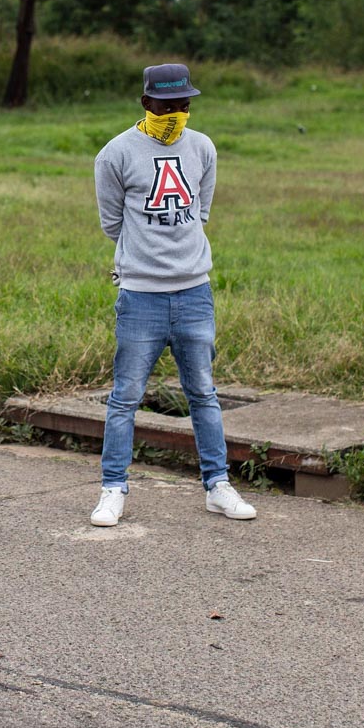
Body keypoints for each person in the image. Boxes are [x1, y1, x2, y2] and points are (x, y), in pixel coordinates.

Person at [90, 64, 256, 527]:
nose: (176, 114)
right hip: (141, 296)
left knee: (203, 392)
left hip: (194, 293)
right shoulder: (115, 154)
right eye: (166, 106)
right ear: (146, 104)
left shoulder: (202, 147)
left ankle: (217, 486)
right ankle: (113, 489)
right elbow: (111, 223)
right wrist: (145, 258)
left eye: (184, 105)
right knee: (125, 397)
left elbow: (199, 211)